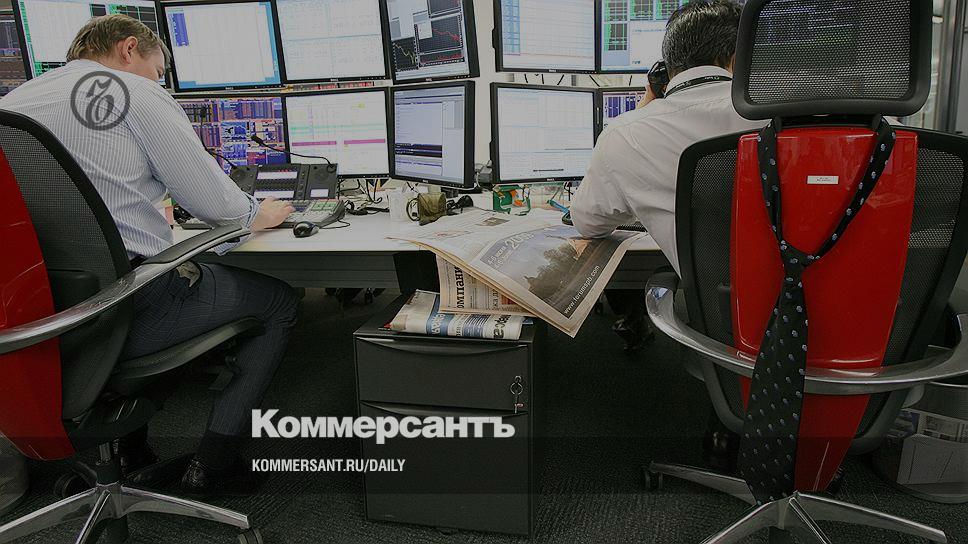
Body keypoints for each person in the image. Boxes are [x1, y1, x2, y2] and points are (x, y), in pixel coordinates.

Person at [0, 14, 298, 495]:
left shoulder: (14, 103)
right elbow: (217, 207)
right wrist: (256, 215)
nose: (159, 83)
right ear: (128, 49)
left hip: (46, 317)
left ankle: (131, 453)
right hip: (127, 309)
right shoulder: (132, 92)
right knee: (277, 302)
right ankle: (214, 466)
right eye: (158, 71)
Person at [571, 0, 764, 274]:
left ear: (664, 67)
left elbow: (587, 223)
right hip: (797, 294)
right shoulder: (780, 114)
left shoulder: (625, 135)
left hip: (714, 299)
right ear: (738, 59)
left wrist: (645, 106)